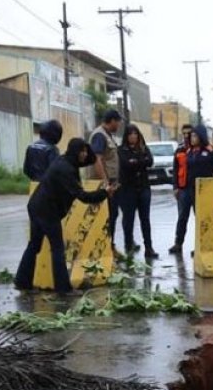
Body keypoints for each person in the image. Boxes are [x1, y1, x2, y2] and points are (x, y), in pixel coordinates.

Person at [14, 138, 115, 294]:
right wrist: (104, 193)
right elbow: (83, 196)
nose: (85, 154)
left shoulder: (66, 161)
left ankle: (22, 282)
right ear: (76, 152)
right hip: (47, 211)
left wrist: (89, 150)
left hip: (37, 206)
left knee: (34, 245)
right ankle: (63, 289)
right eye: (82, 151)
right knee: (57, 248)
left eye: (85, 150)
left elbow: (90, 159)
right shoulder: (66, 170)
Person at [174, 125, 213, 257]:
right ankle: (178, 243)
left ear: (201, 137)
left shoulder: (211, 151)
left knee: (202, 219)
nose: (192, 138)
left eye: (195, 136)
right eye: (191, 136)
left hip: (204, 189)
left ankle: (203, 245)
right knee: (182, 216)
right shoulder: (190, 151)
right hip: (189, 188)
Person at [116, 124, 158, 259]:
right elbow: (126, 164)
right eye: (130, 134)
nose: (133, 136)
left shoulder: (144, 148)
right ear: (126, 136)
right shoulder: (121, 150)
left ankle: (149, 248)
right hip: (128, 189)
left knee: (145, 219)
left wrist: (137, 161)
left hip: (144, 188)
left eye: (135, 134)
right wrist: (140, 161)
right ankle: (128, 245)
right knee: (128, 219)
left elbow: (149, 161)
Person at [89, 109, 123, 241]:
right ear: (112, 121)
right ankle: (106, 246)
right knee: (108, 214)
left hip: (112, 182)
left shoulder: (107, 135)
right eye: (118, 122)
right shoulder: (100, 136)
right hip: (105, 183)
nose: (119, 125)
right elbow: (97, 159)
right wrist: (105, 182)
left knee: (112, 214)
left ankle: (110, 244)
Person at [168, 124, 194, 256]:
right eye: (184, 133)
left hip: (196, 188)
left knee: (199, 218)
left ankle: (199, 246)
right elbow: (175, 170)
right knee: (182, 217)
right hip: (183, 189)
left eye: (189, 133)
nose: (186, 136)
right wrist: (175, 187)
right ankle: (178, 243)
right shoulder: (179, 150)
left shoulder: (198, 149)